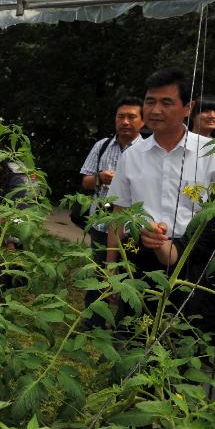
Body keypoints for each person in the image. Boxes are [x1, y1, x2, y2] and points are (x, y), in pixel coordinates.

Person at [107, 68, 215, 315]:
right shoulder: (132, 155)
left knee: (190, 336)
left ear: (187, 108)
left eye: (166, 102)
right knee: (135, 335)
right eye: (150, 102)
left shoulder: (213, 152)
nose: (155, 110)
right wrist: (112, 270)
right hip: (141, 260)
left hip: (196, 261)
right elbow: (118, 215)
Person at [79, 97, 145, 320]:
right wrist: (100, 178)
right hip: (100, 221)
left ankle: (122, 325)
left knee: (130, 275)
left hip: (132, 226)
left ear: (143, 122)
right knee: (99, 271)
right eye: (121, 117)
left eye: (132, 117)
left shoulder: (148, 151)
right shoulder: (102, 145)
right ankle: (93, 322)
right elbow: (85, 181)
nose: (125, 121)